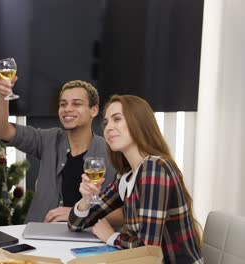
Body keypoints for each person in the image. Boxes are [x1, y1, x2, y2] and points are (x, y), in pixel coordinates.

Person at [68, 95, 203, 263]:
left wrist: (110, 236)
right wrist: (86, 200)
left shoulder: (155, 168)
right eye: (106, 122)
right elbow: (75, 224)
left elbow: (148, 250)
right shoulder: (126, 178)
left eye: (117, 119)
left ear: (139, 123)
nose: (109, 127)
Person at [0, 75, 119, 223]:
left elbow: (123, 215)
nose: (67, 109)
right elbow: (1, 130)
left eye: (76, 104)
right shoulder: (48, 140)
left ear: (94, 110)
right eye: (63, 104)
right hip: (41, 234)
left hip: (87, 238)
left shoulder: (111, 152)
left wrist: (77, 213)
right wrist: (3, 95)